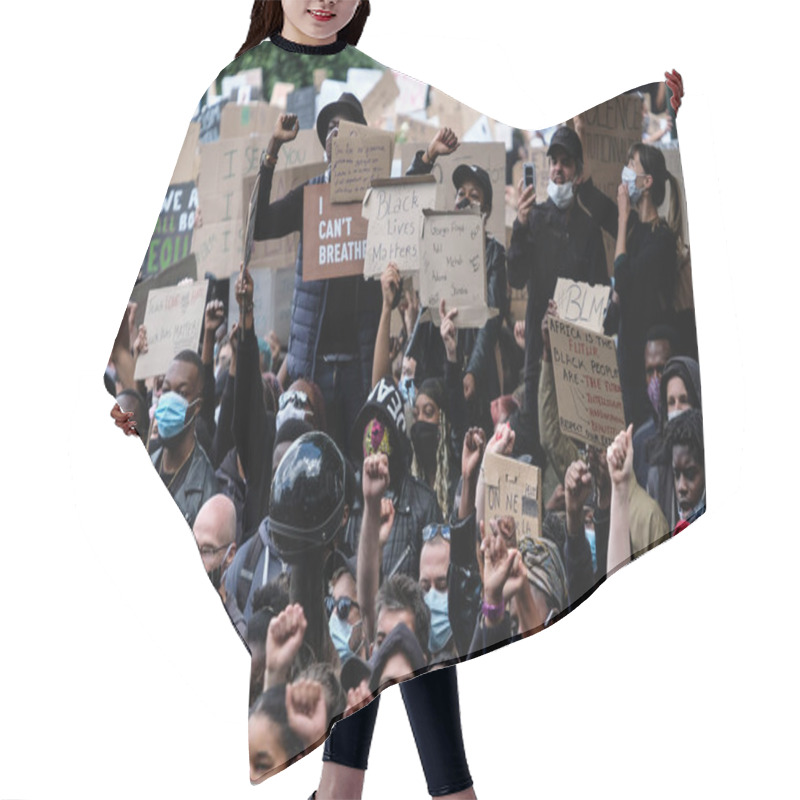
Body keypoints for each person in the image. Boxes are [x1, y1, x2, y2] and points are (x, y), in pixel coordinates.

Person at [507, 125, 609, 463]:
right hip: (539, 357)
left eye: (566, 163)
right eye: (553, 162)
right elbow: (516, 276)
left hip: (577, 360)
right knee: (537, 438)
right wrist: (519, 228)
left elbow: (600, 297)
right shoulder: (534, 219)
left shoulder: (589, 229)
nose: (557, 170)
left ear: (578, 172)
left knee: (571, 450)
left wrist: (574, 317)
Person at [576, 140, 686, 429]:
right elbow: (592, 199)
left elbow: (622, 279)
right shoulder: (636, 227)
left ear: (647, 182)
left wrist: (623, 218)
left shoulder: (661, 240)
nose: (625, 171)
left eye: (631, 164)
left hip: (649, 368)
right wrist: (583, 135)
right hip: (627, 365)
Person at [149, 350, 219, 527]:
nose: (170, 398)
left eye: (181, 393)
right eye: (166, 390)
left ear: (197, 406)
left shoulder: (206, 488)